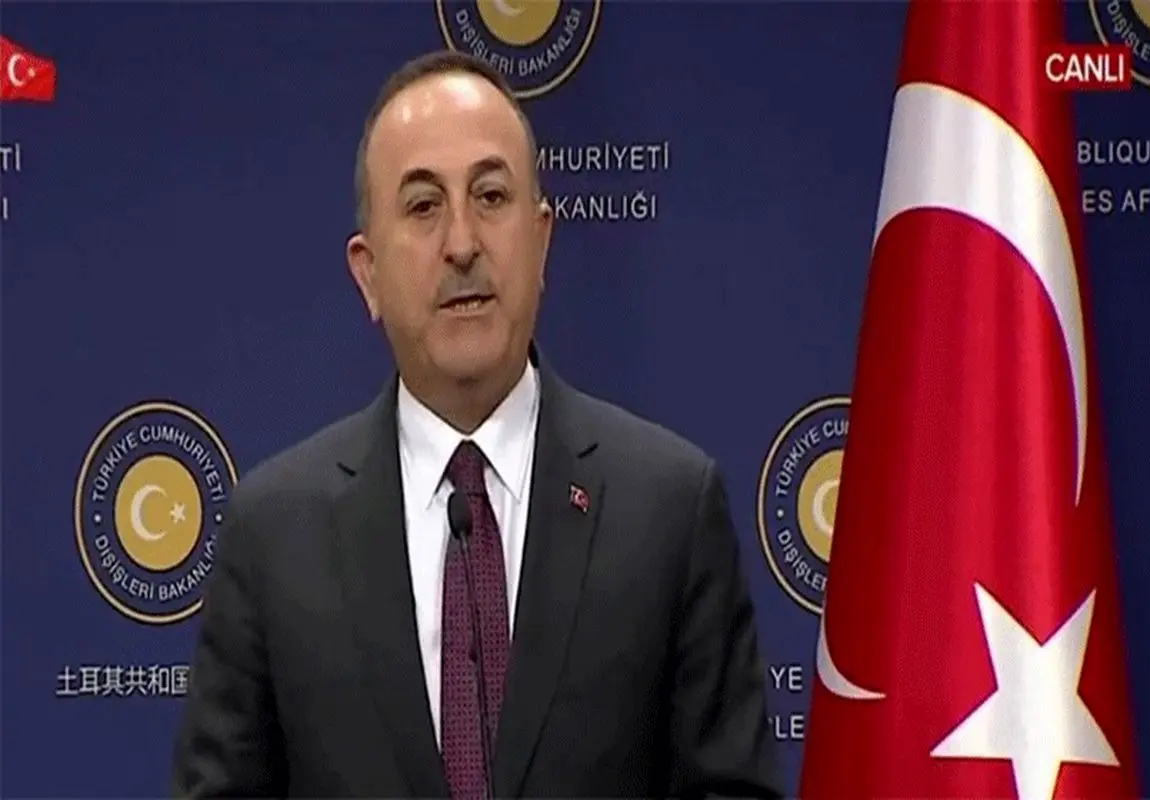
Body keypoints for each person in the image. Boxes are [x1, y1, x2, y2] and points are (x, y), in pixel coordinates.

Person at [169, 49, 782, 800]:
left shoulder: (669, 508)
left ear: (542, 238)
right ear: (368, 273)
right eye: (423, 206)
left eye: (490, 196)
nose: (462, 243)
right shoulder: (274, 534)